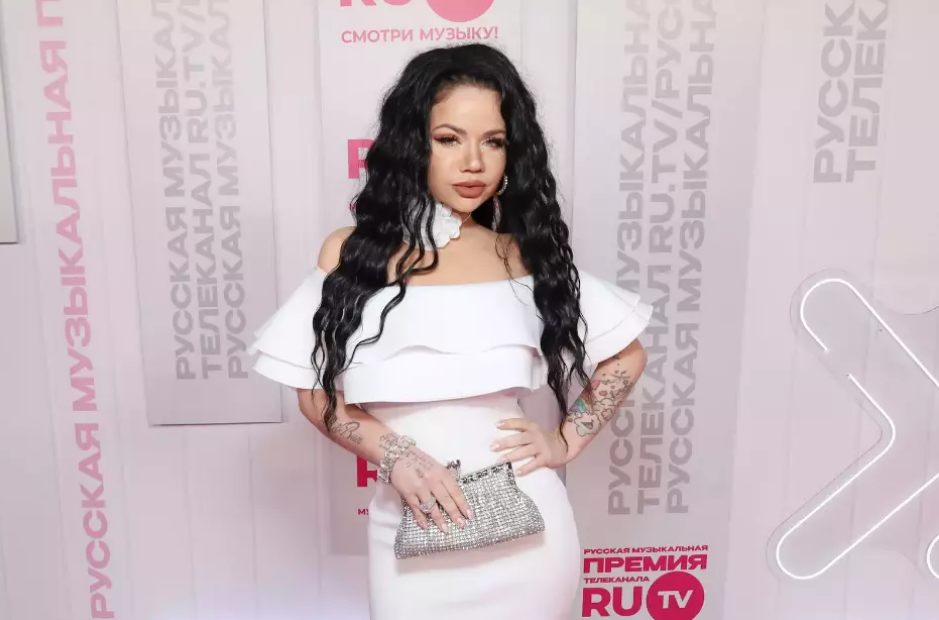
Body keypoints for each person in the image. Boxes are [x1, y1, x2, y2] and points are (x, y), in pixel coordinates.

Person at [249, 43, 651, 620]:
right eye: (449, 139)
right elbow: (315, 394)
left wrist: (565, 441)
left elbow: (625, 356)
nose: (474, 163)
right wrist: (394, 454)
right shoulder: (351, 254)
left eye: (494, 142)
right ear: (413, 144)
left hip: (530, 534)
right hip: (410, 525)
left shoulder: (522, 256)